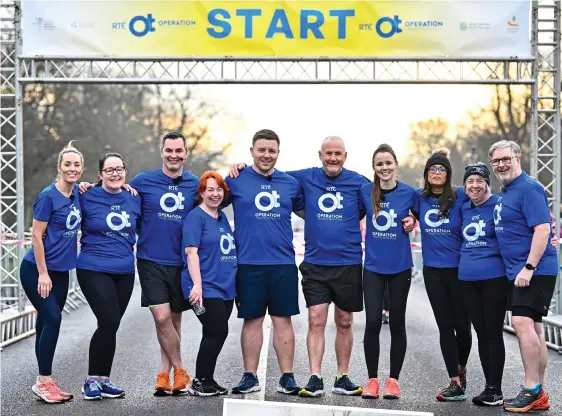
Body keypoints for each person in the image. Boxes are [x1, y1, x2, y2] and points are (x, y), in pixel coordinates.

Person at [223, 129, 304, 395]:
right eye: (262, 150)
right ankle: (249, 375)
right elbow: (208, 202)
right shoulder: (235, 179)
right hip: (248, 263)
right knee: (252, 320)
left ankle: (287, 377)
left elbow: (311, 214)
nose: (266, 155)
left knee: (283, 320)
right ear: (252, 151)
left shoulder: (290, 183)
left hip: (282, 263)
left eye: (271, 150)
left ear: (278, 153)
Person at [488, 140, 558, 413]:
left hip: (534, 270)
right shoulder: (508, 191)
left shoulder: (529, 188)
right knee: (535, 329)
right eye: (497, 161)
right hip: (520, 270)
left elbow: (542, 230)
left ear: (518, 158)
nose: (501, 165)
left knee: (521, 322)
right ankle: (538, 390)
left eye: (506, 159)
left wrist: (528, 268)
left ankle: (530, 389)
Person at [129, 131, 199, 395]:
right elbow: (121, 198)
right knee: (161, 317)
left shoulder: (194, 183)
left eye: (178, 151)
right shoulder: (143, 181)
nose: (174, 155)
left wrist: (238, 169)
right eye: (169, 150)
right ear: (162, 152)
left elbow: (219, 196)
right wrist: (89, 187)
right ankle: (180, 369)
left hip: (181, 263)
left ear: (185, 153)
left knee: (173, 322)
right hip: (150, 260)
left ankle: (164, 376)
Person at [19, 141, 84, 404]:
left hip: (61, 271)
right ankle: (43, 381)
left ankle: (43, 381)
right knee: (54, 320)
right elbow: (36, 236)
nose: (72, 168)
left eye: (76, 165)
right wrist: (43, 274)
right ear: (59, 167)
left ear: (81, 169)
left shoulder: (79, 192)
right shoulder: (47, 196)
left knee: (45, 322)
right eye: (67, 164)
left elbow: (104, 188)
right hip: (37, 269)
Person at [76, 153, 141, 400]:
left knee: (110, 325)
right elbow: (60, 204)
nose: (115, 174)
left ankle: (103, 379)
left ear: (125, 172)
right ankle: (90, 380)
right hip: (93, 267)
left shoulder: (134, 198)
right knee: (109, 319)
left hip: (124, 270)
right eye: (109, 170)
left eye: (119, 169)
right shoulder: (86, 195)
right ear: (100, 174)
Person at [359, 144, 417, 400]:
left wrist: (414, 219)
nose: (384, 168)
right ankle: (372, 380)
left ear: (396, 165)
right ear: (374, 168)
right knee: (372, 322)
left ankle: (393, 380)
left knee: (397, 324)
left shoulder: (409, 193)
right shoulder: (365, 191)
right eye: (379, 164)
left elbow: (425, 212)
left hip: (400, 267)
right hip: (372, 267)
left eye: (388, 163)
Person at [414, 147, 471, 401]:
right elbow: (398, 204)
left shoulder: (460, 197)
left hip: (460, 272)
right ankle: (455, 382)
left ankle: (462, 367)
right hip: (433, 272)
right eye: (432, 169)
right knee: (445, 327)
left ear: (448, 174)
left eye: (441, 169)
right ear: (426, 174)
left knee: (464, 329)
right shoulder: (418, 198)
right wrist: (407, 219)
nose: (437, 173)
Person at [181, 171, 237, 397]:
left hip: (225, 287)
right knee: (217, 330)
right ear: (201, 193)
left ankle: (207, 378)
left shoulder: (222, 217)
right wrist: (197, 285)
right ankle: (199, 380)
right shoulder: (196, 217)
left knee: (211, 333)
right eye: (210, 189)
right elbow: (191, 252)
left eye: (219, 189)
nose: (215, 194)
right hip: (203, 288)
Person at [458, 162, 508, 406]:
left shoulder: (499, 204)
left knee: (492, 333)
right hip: (467, 279)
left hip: (494, 279)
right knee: (480, 333)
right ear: (465, 185)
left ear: (488, 183)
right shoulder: (463, 208)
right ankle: (489, 387)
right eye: (470, 181)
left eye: (480, 181)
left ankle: (495, 389)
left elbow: (520, 228)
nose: (475, 185)